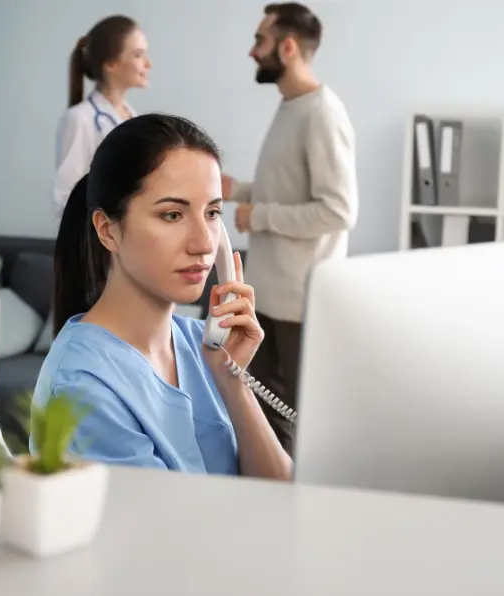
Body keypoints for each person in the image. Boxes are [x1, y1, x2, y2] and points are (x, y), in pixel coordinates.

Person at [31, 113, 293, 481]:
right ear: (108, 230)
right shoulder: (83, 388)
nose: (204, 243)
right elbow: (166, 533)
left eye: (213, 213)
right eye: (172, 214)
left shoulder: (201, 345)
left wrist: (233, 381)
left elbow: (282, 495)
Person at [221, 3, 358, 456]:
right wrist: (239, 190)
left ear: (289, 46)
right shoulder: (293, 108)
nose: (250, 51)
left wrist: (256, 216)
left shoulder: (322, 113)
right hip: (273, 299)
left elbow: (338, 211)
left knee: (295, 425)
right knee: (265, 419)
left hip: (300, 305)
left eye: (259, 40)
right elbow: (290, 188)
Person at [52, 15, 152, 216]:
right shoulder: (80, 119)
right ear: (111, 64)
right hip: (100, 239)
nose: (148, 64)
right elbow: (65, 198)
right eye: (138, 55)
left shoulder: (133, 117)